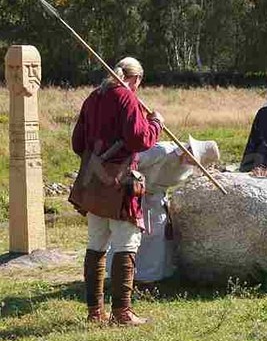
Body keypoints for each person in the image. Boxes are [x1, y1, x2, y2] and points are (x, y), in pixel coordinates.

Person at [71, 57, 163, 325]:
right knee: (126, 243)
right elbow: (139, 139)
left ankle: (94, 312)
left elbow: (78, 143)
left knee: (95, 244)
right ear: (135, 79)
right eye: (139, 82)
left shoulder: (92, 98)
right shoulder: (127, 97)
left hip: (93, 182)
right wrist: (156, 123)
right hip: (120, 182)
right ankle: (122, 313)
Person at [107, 136, 220, 283]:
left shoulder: (187, 168)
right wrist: (135, 186)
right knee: (131, 236)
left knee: (158, 236)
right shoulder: (161, 152)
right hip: (134, 196)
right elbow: (131, 163)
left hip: (157, 200)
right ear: (189, 150)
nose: (193, 162)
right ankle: (123, 275)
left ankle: (149, 276)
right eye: (194, 158)